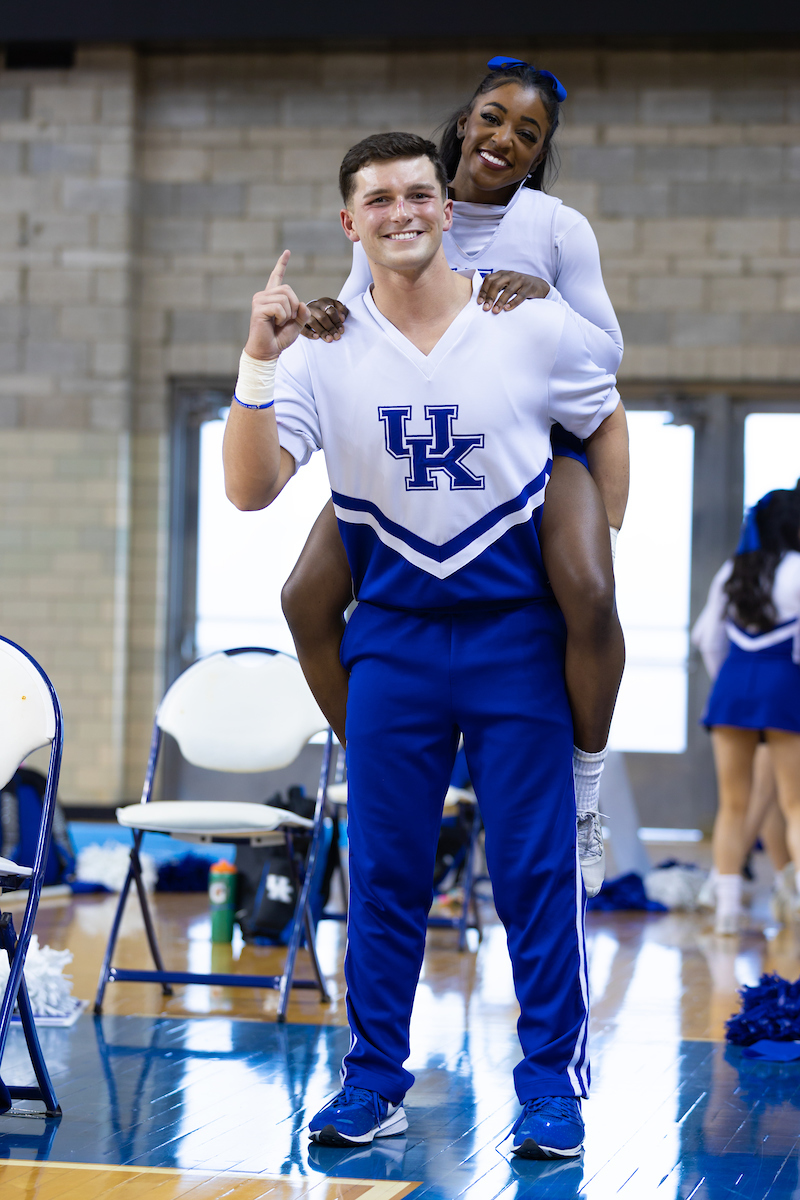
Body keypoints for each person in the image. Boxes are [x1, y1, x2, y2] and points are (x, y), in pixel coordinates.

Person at [223, 132, 624, 1158]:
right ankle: (372, 1081)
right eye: (377, 199)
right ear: (348, 223)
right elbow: (250, 487)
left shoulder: (527, 317)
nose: (401, 210)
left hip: (510, 634)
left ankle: (548, 1088)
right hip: (392, 638)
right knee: (387, 876)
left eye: (418, 193)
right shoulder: (316, 344)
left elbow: (603, 410)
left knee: (534, 878)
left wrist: (599, 528)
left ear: (446, 209)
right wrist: (257, 360)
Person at [281, 58, 628, 897]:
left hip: (529, 445)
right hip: (418, 451)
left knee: (586, 589)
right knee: (302, 597)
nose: (505, 137)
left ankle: (586, 783)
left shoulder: (555, 227)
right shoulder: (409, 204)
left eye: (528, 132)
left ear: (541, 152)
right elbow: (360, 313)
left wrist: (543, 293)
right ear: (465, 122)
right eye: (493, 117)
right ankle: (385, 748)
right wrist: (324, 312)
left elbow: (605, 356)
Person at [692, 488, 800, 934]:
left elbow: (705, 637)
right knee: (796, 804)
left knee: (732, 806)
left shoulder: (735, 570)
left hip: (734, 685)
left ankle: (727, 913)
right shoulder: (797, 570)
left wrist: (729, 682)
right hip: (785, 685)